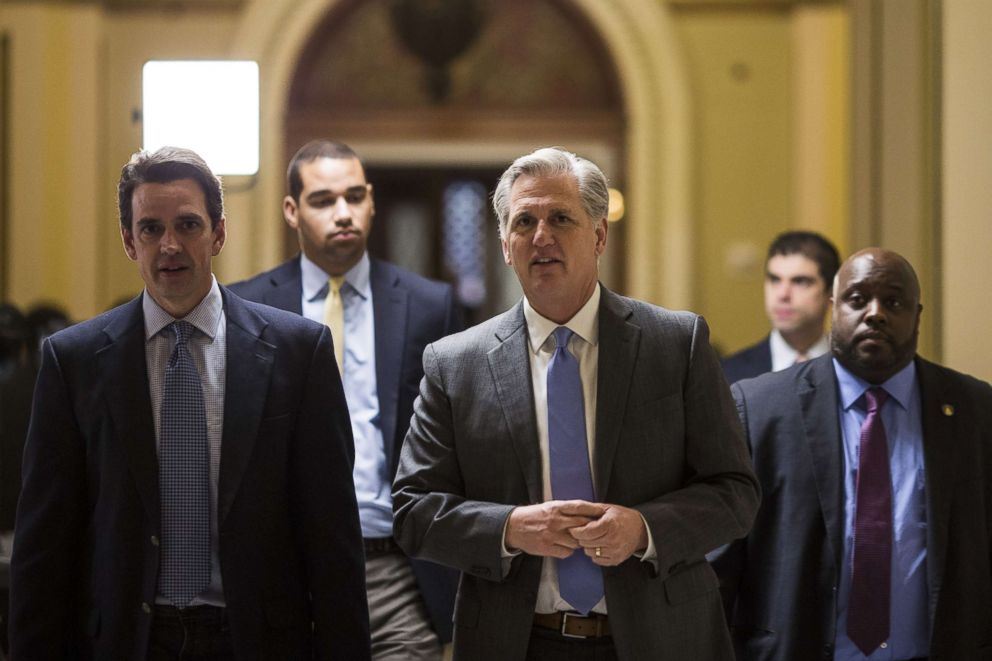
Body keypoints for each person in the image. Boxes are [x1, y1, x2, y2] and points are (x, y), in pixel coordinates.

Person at [392, 147, 760, 660]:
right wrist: (511, 529)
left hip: (661, 637)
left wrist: (644, 530)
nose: (541, 235)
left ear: (600, 235)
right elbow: (413, 512)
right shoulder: (455, 364)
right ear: (505, 245)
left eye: (561, 217)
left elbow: (735, 493)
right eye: (524, 221)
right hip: (516, 641)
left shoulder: (676, 343)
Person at [8, 146, 371, 660]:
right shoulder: (74, 361)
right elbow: (43, 546)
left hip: (255, 639)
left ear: (219, 233)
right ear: (129, 242)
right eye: (151, 229)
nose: (170, 245)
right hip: (123, 642)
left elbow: (333, 537)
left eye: (188, 225)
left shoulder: (299, 352)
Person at [230, 139, 460, 660]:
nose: (342, 213)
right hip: (285, 569)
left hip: (394, 568)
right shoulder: (246, 306)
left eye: (354, 196)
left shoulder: (428, 304)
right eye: (322, 200)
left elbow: (455, 443)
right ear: (291, 210)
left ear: (372, 201)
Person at [711, 247, 992, 660]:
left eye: (893, 302)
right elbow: (719, 566)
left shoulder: (974, 409)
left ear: (918, 314)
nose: (875, 313)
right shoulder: (762, 408)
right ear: (833, 308)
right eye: (857, 300)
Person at [722, 231, 840, 384]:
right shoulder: (727, 375)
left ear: (831, 293)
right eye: (775, 280)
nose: (783, 294)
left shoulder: (855, 370)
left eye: (800, 282)